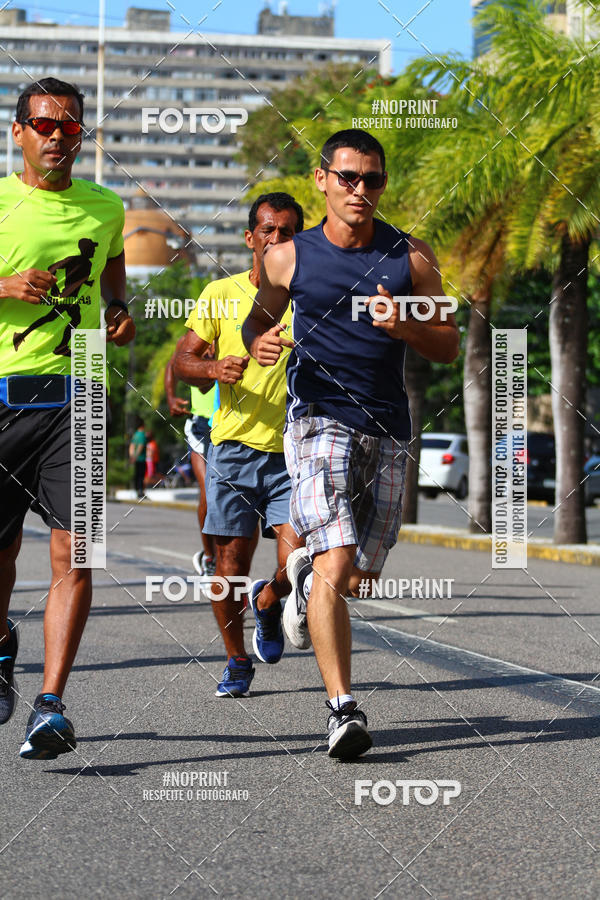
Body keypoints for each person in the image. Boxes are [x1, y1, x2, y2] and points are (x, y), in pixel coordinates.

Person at [242, 129, 460, 759]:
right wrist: (258, 340)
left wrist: (405, 327)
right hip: (317, 417)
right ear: (323, 180)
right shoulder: (290, 257)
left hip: (387, 426)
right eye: (348, 177)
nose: (360, 190)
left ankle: (308, 581)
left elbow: (447, 340)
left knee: (359, 575)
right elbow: (261, 315)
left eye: (372, 179)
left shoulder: (409, 257)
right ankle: (342, 710)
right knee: (338, 558)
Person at [0, 78, 135, 759]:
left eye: (70, 127)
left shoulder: (106, 206)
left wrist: (117, 307)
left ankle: (51, 705)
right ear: (19, 131)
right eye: (45, 125)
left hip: (77, 394)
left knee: (74, 552)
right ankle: (1, 644)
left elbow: (112, 270)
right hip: (1, 393)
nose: (58, 136)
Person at [174, 192, 305, 697]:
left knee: (298, 562)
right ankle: (236, 660)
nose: (277, 239)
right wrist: (213, 367)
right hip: (231, 449)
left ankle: (269, 602)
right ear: (251, 238)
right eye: (268, 230)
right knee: (228, 567)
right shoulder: (218, 294)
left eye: (288, 231)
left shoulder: (313, 296)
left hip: (294, 450)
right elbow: (182, 361)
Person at [165, 338, 217, 575]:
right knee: (208, 492)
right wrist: (171, 397)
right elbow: (173, 364)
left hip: (233, 424)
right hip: (201, 426)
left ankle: (233, 565)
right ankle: (209, 558)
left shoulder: (242, 331)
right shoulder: (195, 339)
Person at [129, 419, 147, 497]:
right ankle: (140, 492)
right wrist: (136, 456)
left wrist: (132, 456)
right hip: (141, 459)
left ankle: (137, 490)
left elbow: (131, 446)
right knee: (141, 475)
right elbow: (140, 446)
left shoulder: (135, 434)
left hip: (135, 459)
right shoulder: (142, 435)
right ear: (143, 425)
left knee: (137, 475)